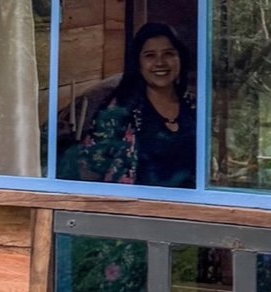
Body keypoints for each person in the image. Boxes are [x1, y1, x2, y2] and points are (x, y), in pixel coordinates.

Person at [78, 21, 197, 187]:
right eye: (150, 55)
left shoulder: (194, 107)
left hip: (192, 209)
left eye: (169, 54)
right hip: (133, 210)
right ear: (138, 63)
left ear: (180, 58)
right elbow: (89, 173)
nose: (160, 62)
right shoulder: (118, 111)